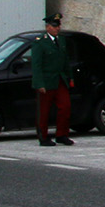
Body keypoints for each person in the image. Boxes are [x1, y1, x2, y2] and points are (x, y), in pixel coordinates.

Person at [31, 13, 73, 147]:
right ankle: (43, 137)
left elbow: (65, 60)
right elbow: (36, 65)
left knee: (65, 107)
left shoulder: (61, 40)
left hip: (60, 79)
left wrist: (70, 76)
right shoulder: (40, 42)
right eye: (54, 26)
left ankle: (62, 134)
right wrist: (39, 83)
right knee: (44, 111)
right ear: (47, 27)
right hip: (46, 81)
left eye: (58, 26)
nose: (57, 28)